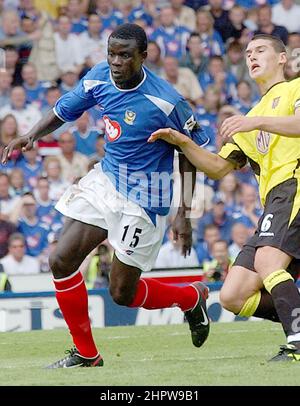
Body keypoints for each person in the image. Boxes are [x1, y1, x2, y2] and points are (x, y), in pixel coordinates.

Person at [2, 24, 210, 368]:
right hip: (109, 180)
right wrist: (31, 135)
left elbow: (190, 154)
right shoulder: (99, 76)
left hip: (147, 197)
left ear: (143, 56)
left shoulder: (167, 100)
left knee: (121, 294)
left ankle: (190, 297)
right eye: (112, 53)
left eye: (125, 55)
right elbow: (63, 110)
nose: (116, 61)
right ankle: (87, 354)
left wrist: (184, 213)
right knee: (61, 260)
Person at [148, 34, 300, 362]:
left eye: (261, 50)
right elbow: (218, 168)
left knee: (268, 263)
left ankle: (298, 341)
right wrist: (183, 143)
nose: (252, 56)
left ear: (283, 58)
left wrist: (255, 121)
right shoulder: (248, 119)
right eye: (248, 53)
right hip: (274, 199)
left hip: (294, 184)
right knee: (233, 294)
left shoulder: (294, 89)